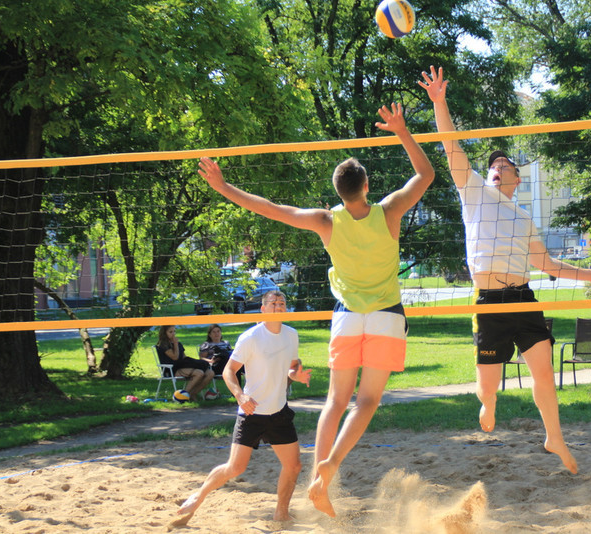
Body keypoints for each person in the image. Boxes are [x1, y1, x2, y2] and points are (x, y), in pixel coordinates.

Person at [198, 102, 434, 517]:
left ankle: (316, 479)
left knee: (336, 400)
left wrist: (223, 188)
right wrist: (400, 130)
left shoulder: (326, 220)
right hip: (386, 315)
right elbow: (426, 174)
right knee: (367, 402)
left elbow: (269, 208)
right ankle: (331, 466)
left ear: (339, 191)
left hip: (345, 317)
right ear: (366, 186)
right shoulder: (389, 210)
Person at [419, 66, 591, 474]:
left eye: (505, 163)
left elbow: (546, 264)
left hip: (523, 298)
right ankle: (487, 402)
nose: (498, 165)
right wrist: (439, 101)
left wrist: (587, 275)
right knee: (489, 388)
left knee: (543, 373)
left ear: (518, 179)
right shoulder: (474, 193)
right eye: (494, 164)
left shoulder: (524, 218)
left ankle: (553, 435)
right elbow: (451, 146)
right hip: (488, 304)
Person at [174, 291, 312, 526]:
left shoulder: (291, 335)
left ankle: (281, 513)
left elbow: (291, 366)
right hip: (251, 411)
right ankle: (199, 497)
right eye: (273, 303)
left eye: (282, 303)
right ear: (263, 308)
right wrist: (240, 395)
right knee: (235, 468)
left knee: (294, 465)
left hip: (279, 412)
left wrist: (296, 375)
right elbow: (229, 371)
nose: (278, 307)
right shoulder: (251, 337)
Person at [157, 325, 216, 401]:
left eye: (174, 331)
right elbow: (175, 357)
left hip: (183, 366)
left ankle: (193, 393)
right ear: (164, 333)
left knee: (210, 373)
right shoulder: (163, 345)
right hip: (171, 369)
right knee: (199, 373)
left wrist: (195, 362)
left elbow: (184, 357)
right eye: (170, 332)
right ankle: (183, 395)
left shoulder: (178, 344)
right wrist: (175, 344)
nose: (173, 334)